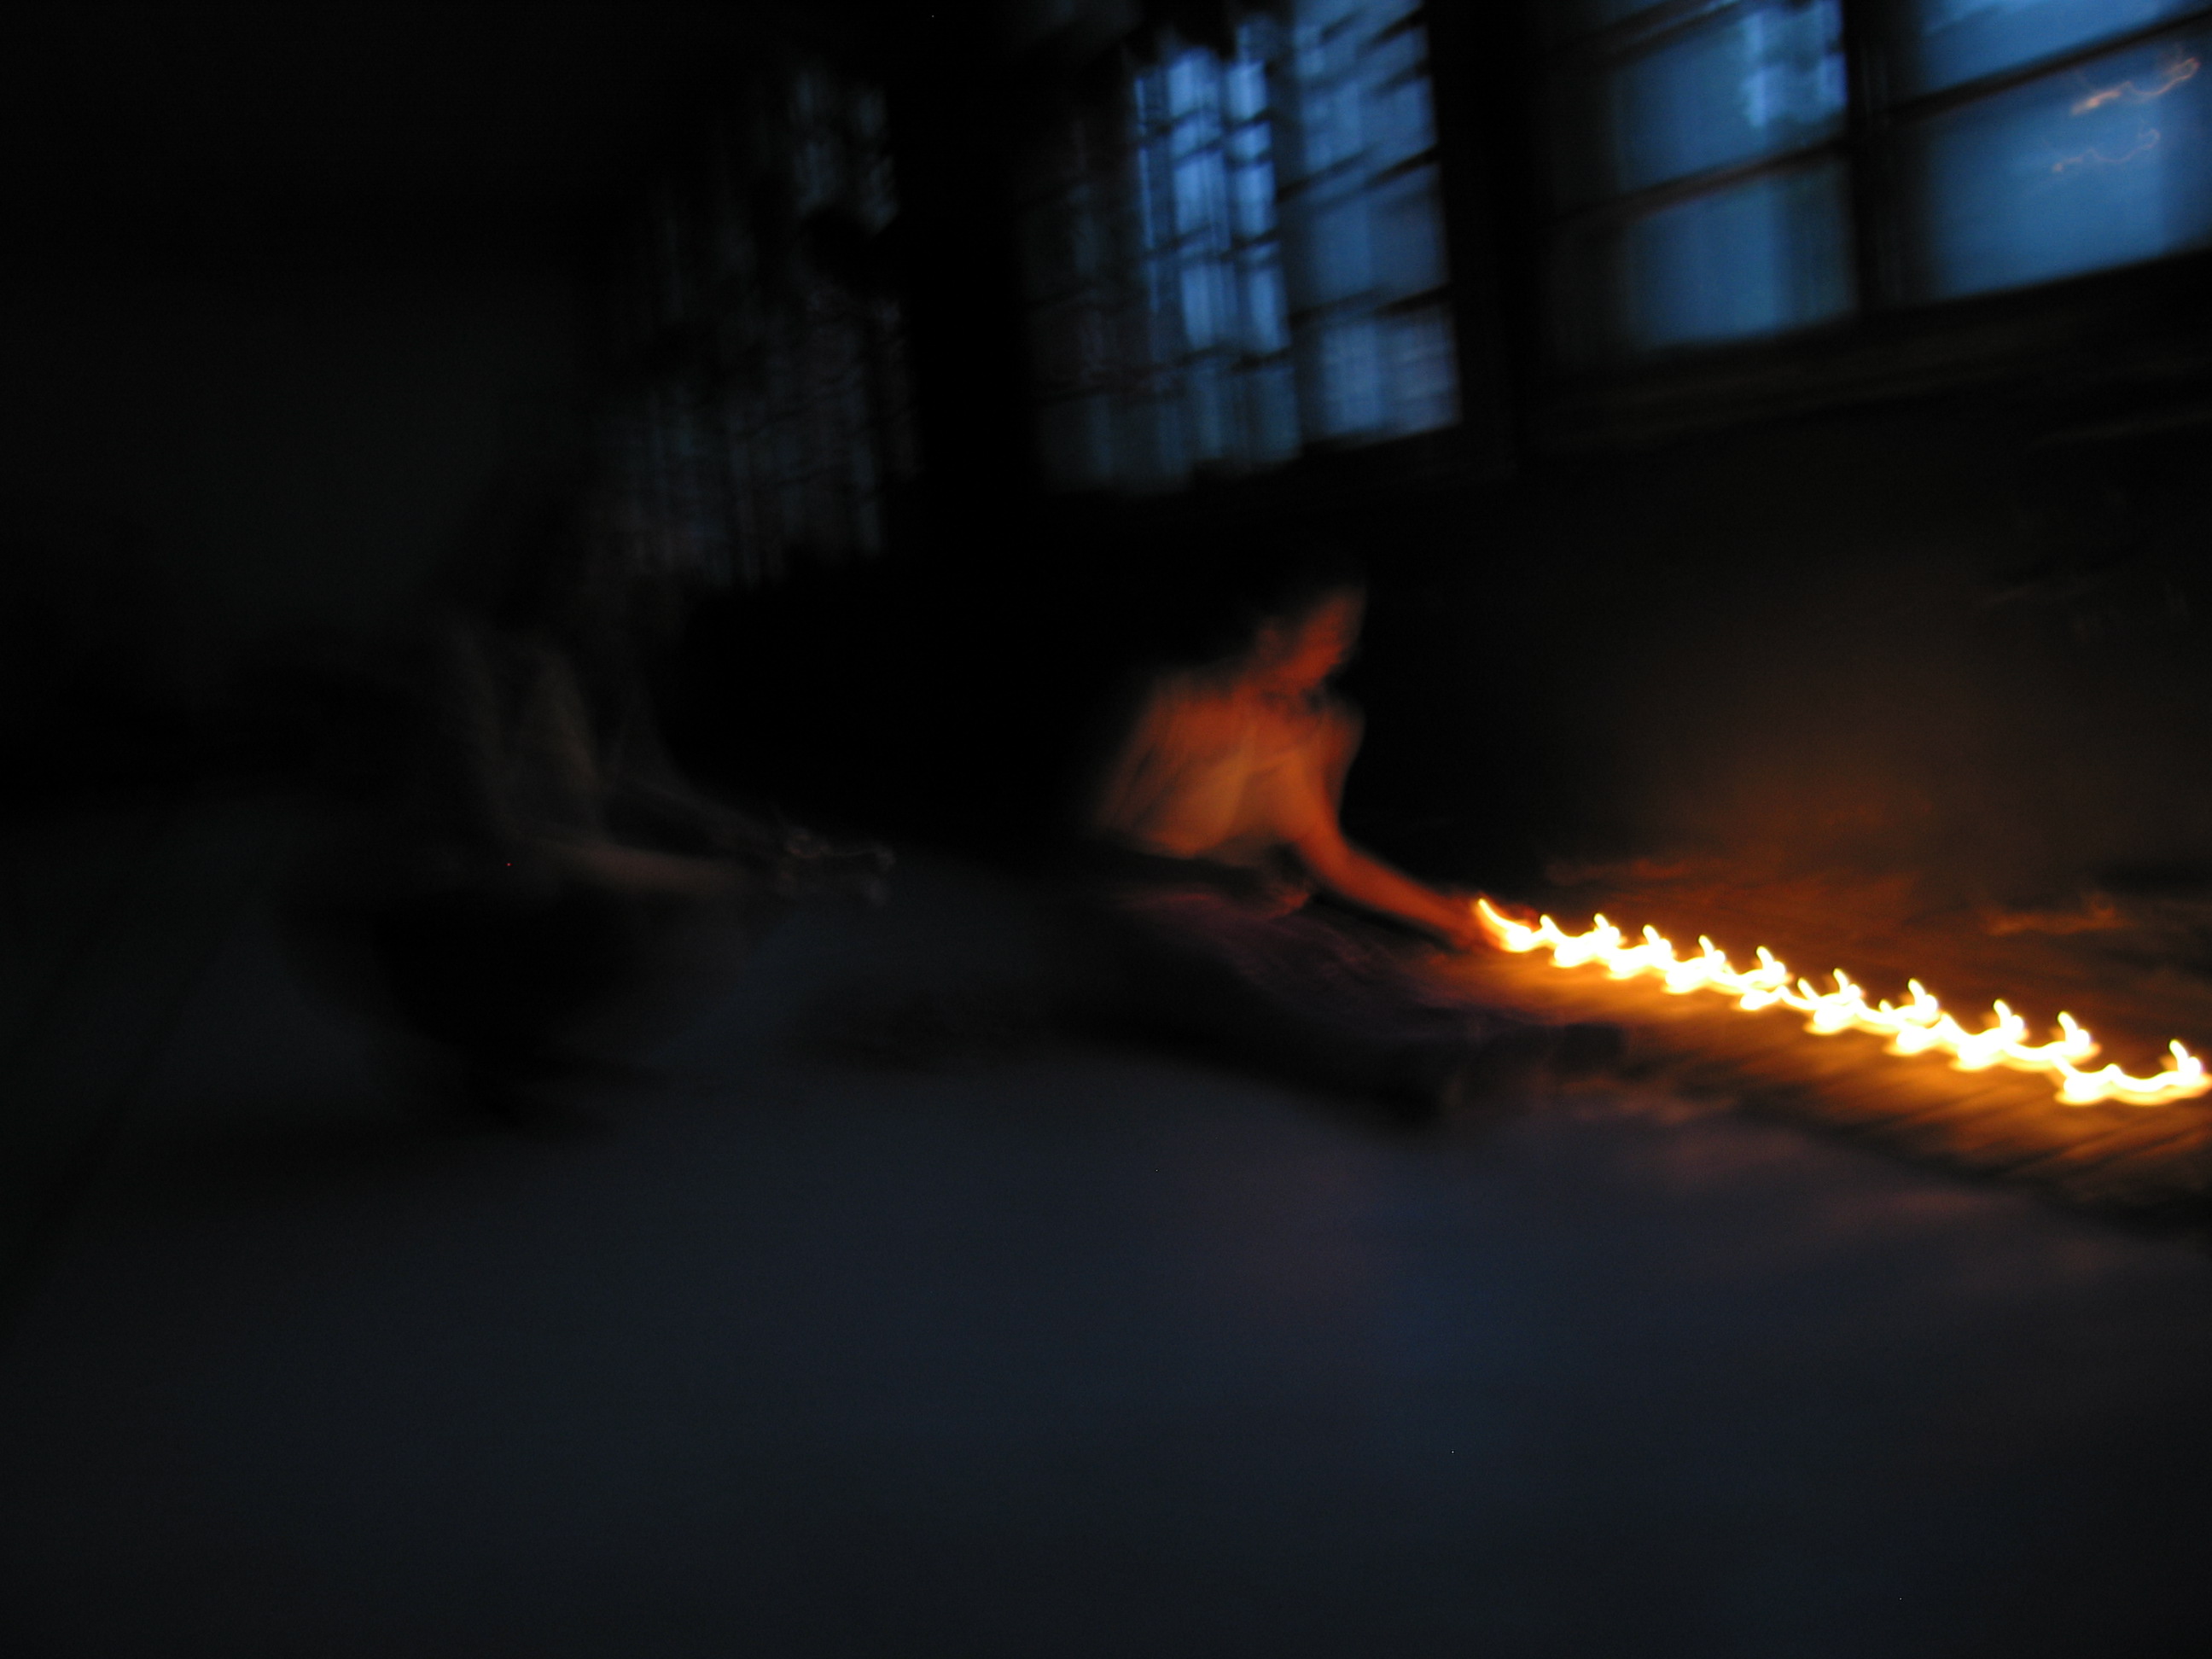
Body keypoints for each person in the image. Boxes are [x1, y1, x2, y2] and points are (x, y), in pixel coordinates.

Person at [1080, 564, 1610, 1120]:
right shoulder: (1165, 700)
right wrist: (1218, 880)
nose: (1345, 650)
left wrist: (1454, 917)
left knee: (1340, 954)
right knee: (1240, 966)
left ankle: (1508, 1035)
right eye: (1332, 632)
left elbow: (1334, 861)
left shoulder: (1316, 728)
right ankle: (1399, 1064)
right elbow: (1079, 849)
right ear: (1270, 631)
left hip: (1238, 916)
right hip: (1135, 916)